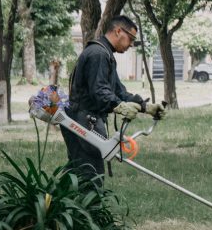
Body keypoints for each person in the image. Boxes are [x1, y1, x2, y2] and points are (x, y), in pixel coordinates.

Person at [62, 15, 165, 184]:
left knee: (81, 170)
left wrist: (146, 107)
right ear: (118, 31)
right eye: (130, 38)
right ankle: (89, 209)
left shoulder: (105, 53)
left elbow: (118, 91)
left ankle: (64, 207)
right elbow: (100, 92)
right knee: (91, 175)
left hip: (86, 117)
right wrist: (119, 106)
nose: (131, 44)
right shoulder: (98, 54)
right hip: (83, 118)